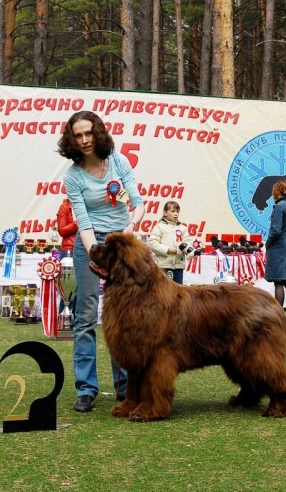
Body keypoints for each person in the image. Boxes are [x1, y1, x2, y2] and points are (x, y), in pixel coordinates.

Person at [57, 110, 145, 412]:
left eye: (88, 133)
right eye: (77, 135)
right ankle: (86, 388)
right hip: (91, 246)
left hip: (124, 242)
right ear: (71, 139)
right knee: (85, 315)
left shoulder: (119, 161)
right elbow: (83, 222)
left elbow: (137, 202)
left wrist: (129, 231)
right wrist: (97, 255)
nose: (83, 140)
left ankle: (125, 386)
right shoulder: (72, 176)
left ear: (98, 133)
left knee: (124, 314)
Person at [264, 180, 286, 323]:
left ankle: (277, 317)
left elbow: (275, 229)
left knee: (278, 281)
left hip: (278, 245)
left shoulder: (279, 207)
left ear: (276, 192)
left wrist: (268, 243)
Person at [147, 201, 192, 284]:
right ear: (165, 213)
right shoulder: (159, 227)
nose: (176, 214)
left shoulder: (183, 228)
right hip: (163, 266)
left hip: (178, 267)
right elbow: (152, 243)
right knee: (163, 292)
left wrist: (187, 250)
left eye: (177, 211)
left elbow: (188, 243)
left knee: (178, 293)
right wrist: (167, 249)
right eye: (173, 211)